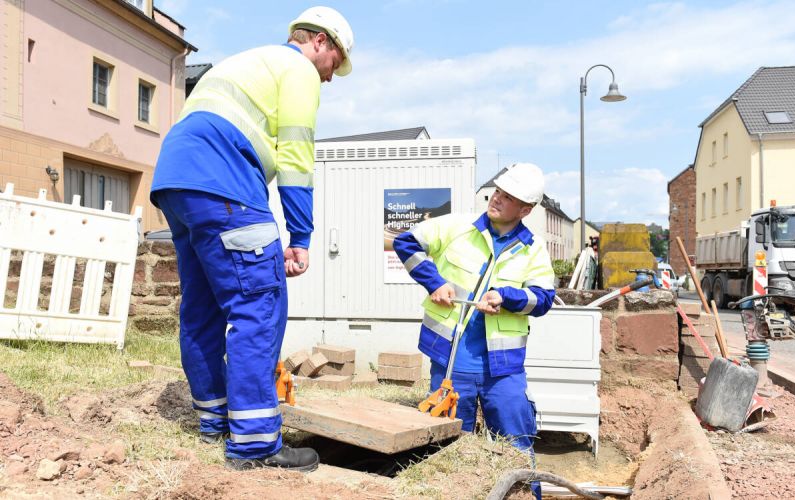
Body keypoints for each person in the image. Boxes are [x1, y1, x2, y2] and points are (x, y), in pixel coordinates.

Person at [149, 6, 354, 472]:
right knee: (258, 306)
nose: (331, 78)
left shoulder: (244, 62)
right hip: (225, 186)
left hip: (177, 185)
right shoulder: (297, 68)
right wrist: (300, 236)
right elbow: (297, 157)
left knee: (201, 307)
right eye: (334, 64)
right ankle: (256, 442)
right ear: (319, 42)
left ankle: (215, 419)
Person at [393, 163, 555, 499]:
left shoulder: (533, 248)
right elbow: (406, 242)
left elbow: (542, 299)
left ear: (525, 210)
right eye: (498, 191)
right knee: (447, 450)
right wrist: (433, 282)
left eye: (507, 197)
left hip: (503, 370)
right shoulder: (457, 226)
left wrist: (506, 297)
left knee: (516, 447)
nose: (497, 199)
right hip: (452, 364)